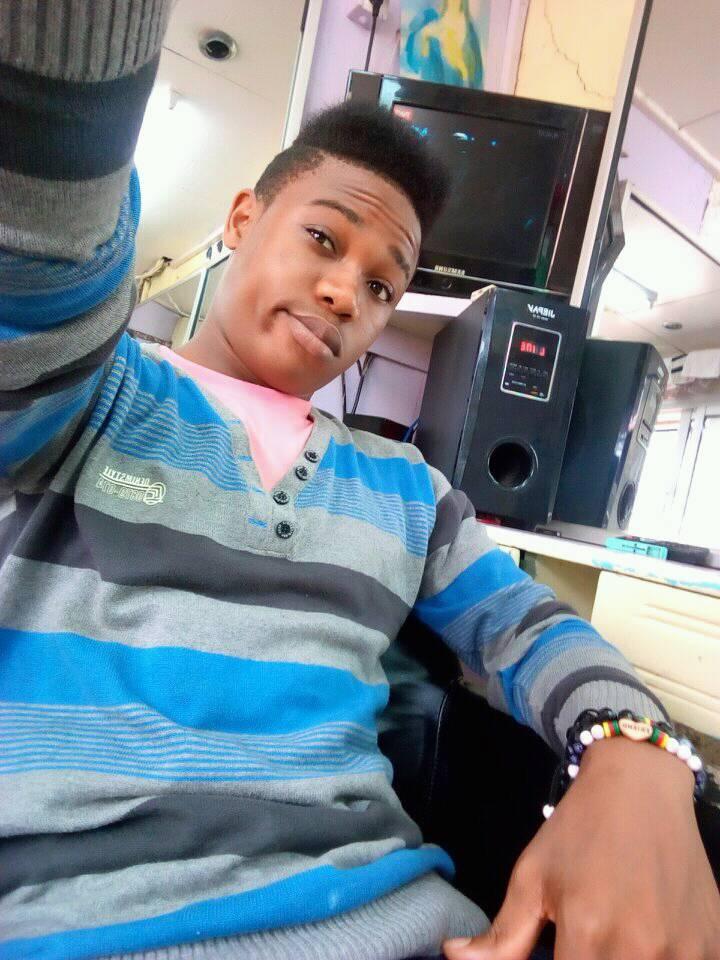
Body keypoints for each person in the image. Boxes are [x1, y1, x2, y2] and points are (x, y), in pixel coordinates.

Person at [1, 2, 718, 959]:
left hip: (404, 922)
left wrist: (637, 755)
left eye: (384, 285)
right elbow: (39, 245)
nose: (347, 293)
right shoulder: (89, 391)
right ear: (243, 220)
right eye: (324, 240)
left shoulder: (406, 488)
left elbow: (526, 626)